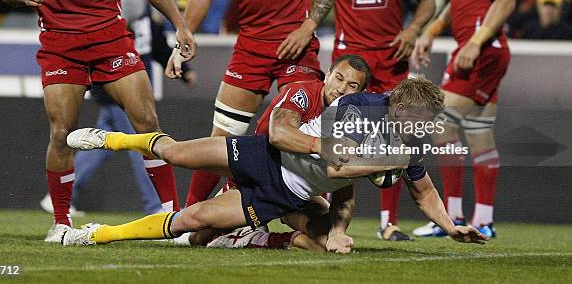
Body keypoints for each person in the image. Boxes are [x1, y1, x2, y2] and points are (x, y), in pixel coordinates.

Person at [0, 0, 196, 242]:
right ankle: (61, 222)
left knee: (148, 123)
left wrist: (180, 25)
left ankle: (173, 219)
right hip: (60, 45)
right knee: (61, 132)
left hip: (110, 39)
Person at [62, 71, 488, 250]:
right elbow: (338, 167)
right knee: (175, 152)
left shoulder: (408, 141)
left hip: (285, 192)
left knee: (194, 220)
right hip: (267, 154)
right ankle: (111, 138)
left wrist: (450, 227)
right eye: (417, 122)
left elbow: (424, 188)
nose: (422, 130)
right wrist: (380, 163)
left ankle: (98, 236)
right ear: (396, 109)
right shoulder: (361, 107)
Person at [172, 0, 341, 208]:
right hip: (249, 50)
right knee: (222, 138)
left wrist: (307, 27)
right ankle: (188, 217)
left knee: (298, 135)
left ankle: (321, 220)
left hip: (298, 50)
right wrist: (184, 35)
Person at [329, 0, 435, 241]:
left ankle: (388, 222)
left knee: (397, 141)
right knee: (341, 142)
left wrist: (413, 29)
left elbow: (427, 1)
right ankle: (333, 222)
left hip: (392, 59)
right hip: (351, 63)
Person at [411, 0, 517, 239]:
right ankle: (482, 219)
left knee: (440, 122)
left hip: (482, 50)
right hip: (474, 47)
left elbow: (505, 0)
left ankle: (452, 216)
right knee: (478, 134)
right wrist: (432, 29)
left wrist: (475, 41)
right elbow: (460, 1)